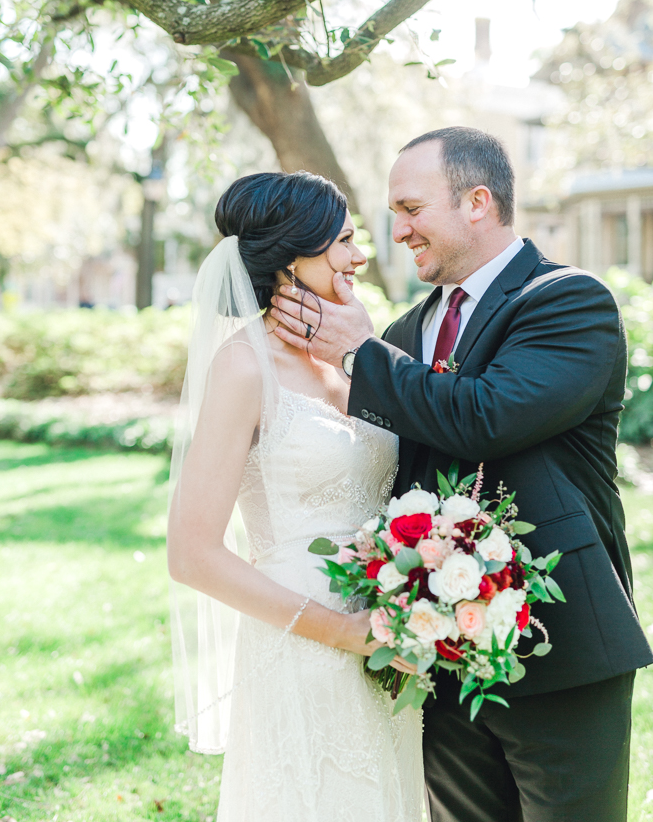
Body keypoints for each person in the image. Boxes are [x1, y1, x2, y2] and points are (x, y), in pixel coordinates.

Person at [271, 126, 653, 822]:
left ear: (477, 201)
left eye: (410, 209)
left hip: (558, 643)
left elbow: (487, 416)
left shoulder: (568, 302)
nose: (398, 232)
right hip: (435, 653)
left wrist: (359, 354)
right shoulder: (400, 335)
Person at [166, 171, 423, 822]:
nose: (359, 255)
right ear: (290, 255)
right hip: (302, 641)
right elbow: (191, 553)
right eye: (341, 240)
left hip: (389, 638)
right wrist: (342, 631)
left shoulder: (357, 353)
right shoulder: (242, 365)